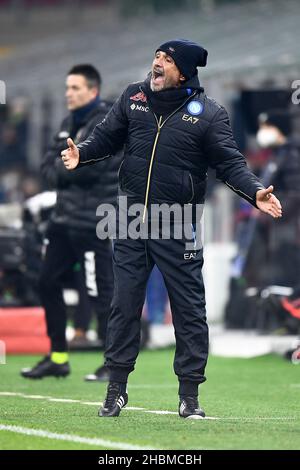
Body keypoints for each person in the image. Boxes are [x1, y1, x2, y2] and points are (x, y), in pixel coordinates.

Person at [61, 40, 282, 418]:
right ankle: (115, 390)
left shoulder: (209, 114)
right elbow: (106, 137)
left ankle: (190, 396)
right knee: (124, 305)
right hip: (128, 217)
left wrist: (255, 192)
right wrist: (83, 153)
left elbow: (229, 164)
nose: (157, 63)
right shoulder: (133, 97)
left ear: (183, 71)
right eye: (157, 56)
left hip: (178, 222)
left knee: (189, 308)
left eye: (167, 59)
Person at [21, 64, 121, 381]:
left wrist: (65, 169)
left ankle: (112, 363)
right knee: (46, 282)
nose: (69, 93)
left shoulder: (106, 123)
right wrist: (66, 169)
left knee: (99, 291)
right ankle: (58, 356)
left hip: (92, 221)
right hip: (63, 220)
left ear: (93, 90)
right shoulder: (69, 122)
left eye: (75, 88)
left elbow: (89, 168)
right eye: (67, 88)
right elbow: (47, 168)